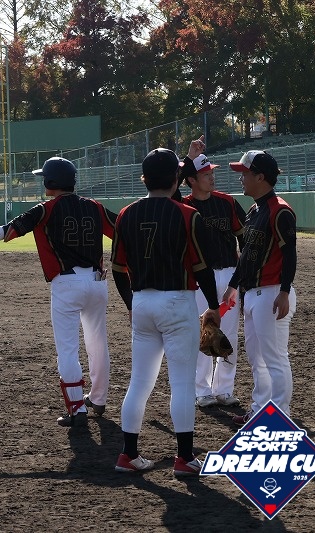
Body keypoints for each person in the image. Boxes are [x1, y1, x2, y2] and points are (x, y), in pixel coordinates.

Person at [0, 157, 117, 427]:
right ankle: (98, 399)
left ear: (51, 181)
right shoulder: (94, 207)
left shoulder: (45, 209)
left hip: (67, 285)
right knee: (97, 343)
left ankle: (77, 410)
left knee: (68, 350)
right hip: (98, 282)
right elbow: (121, 230)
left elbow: (9, 231)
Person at [110, 147, 221, 476]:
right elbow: (202, 269)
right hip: (177, 302)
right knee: (182, 383)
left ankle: (129, 455)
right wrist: (213, 306)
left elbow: (117, 269)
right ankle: (184, 459)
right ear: (176, 179)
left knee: (139, 382)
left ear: (144, 178)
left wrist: (131, 305)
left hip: (142, 302)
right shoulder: (188, 214)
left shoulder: (126, 214)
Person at [223, 150, 297, 425]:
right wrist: (233, 286)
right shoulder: (255, 210)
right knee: (257, 359)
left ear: (260, 177)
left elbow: (290, 255)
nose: (241, 178)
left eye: (245, 173)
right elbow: (246, 255)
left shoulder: (280, 211)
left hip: (273, 292)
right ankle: (260, 409)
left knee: (275, 358)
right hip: (253, 294)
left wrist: (285, 291)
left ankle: (280, 416)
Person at [181, 153, 247, 408]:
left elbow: (245, 239)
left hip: (229, 274)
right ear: (191, 180)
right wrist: (188, 156)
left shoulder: (227, 202)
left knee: (228, 333)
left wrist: (238, 278)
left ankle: (224, 389)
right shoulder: (183, 205)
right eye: (206, 174)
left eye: (211, 172)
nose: (212, 177)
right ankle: (202, 390)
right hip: (200, 279)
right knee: (203, 333)